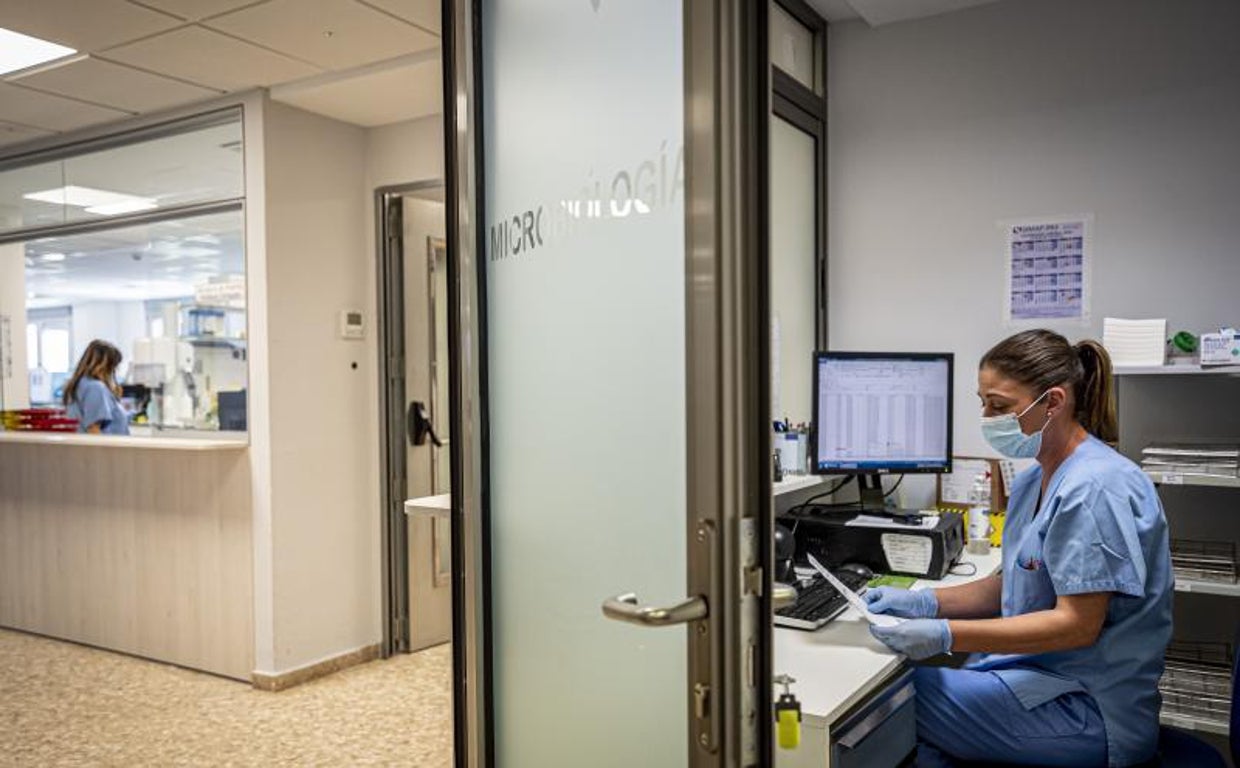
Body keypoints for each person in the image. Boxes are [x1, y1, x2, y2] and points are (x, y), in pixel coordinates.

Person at [864, 329, 1172, 767]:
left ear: (1053, 402)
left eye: (1000, 405)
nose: (987, 417)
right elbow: (1013, 582)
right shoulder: (1034, 478)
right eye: (983, 403)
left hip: (1090, 709)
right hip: (1041, 680)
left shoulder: (1094, 488)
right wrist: (923, 603)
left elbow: (1077, 625)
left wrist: (947, 633)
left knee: (897, 696)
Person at [64, 340, 130, 436]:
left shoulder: (79, 384)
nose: (113, 372)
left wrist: (114, 399)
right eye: (113, 367)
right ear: (104, 366)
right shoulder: (95, 388)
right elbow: (94, 431)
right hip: (105, 449)